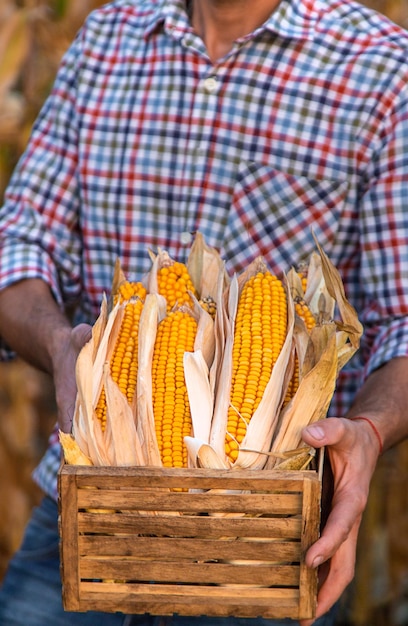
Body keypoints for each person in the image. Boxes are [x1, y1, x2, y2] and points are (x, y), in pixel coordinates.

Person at [0, 0, 408, 624]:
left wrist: (371, 431)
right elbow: (18, 249)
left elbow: (402, 320)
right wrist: (62, 345)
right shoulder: (108, 37)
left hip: (268, 534)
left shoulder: (379, 65)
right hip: (92, 510)